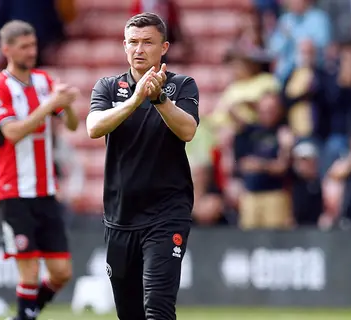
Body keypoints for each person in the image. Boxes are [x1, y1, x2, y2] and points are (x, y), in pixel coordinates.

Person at [86, 12, 199, 320]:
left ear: (164, 47)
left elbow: (187, 130)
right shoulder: (108, 88)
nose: (139, 49)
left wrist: (159, 98)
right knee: (130, 314)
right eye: (133, 42)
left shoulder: (181, 86)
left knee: (158, 309)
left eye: (147, 42)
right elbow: (94, 128)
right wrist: (135, 100)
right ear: (124, 46)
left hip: (166, 214)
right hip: (120, 216)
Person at [0, 20, 79, 320]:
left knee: (62, 272)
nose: (31, 51)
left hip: (45, 190)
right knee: (28, 270)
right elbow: (12, 133)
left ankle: (24, 316)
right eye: (24, 47)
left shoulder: (44, 81)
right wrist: (49, 105)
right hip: (14, 191)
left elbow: (73, 125)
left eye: (33, 45)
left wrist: (68, 104)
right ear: (7, 49)